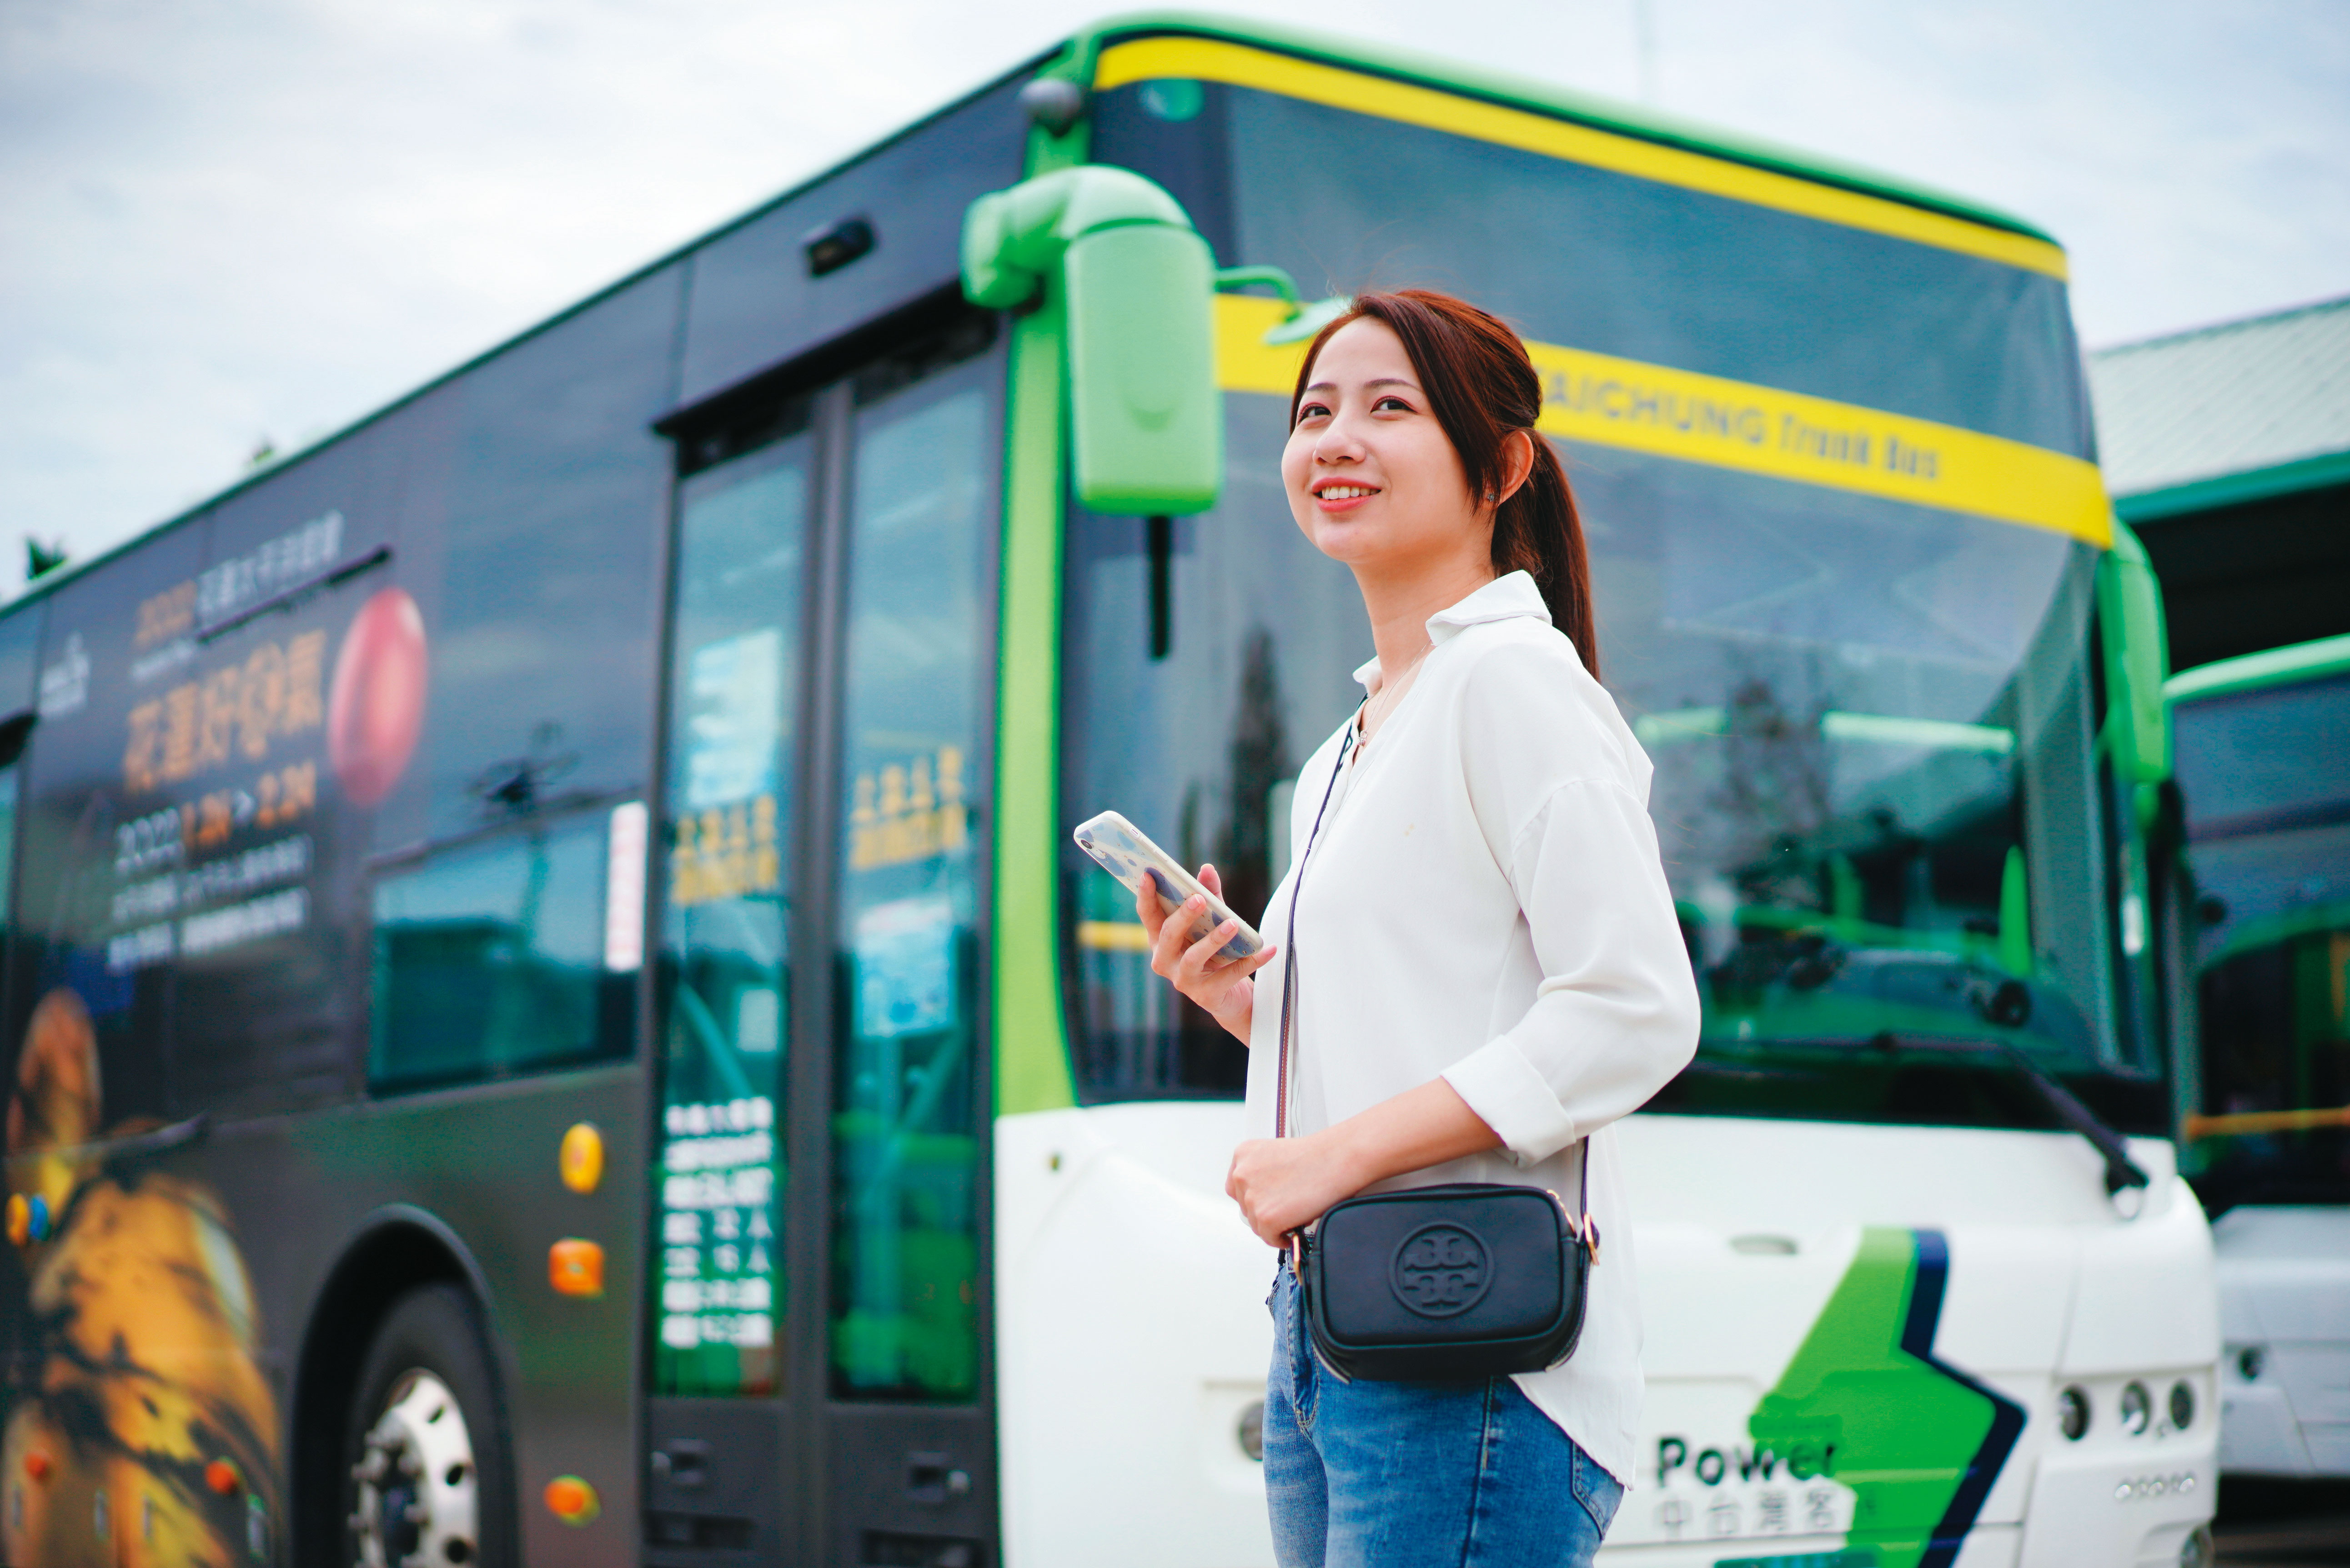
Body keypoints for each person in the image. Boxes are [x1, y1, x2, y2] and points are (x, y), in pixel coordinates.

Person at [1136, 289, 1701, 1568]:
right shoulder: (1344, 747)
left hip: (1468, 1344)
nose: (1337, 439)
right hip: (1340, 1329)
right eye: (1314, 411)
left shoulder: (1513, 683)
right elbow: (1438, 1004)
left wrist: (1331, 1160)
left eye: (1391, 407)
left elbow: (1636, 1009)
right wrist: (1249, 1006)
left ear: (1501, 465)